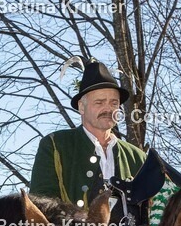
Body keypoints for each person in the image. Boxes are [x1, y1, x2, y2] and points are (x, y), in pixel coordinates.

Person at [29, 57, 146, 206]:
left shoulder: (138, 158)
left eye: (114, 103)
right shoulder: (55, 145)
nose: (108, 109)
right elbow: (41, 205)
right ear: (82, 107)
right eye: (99, 102)